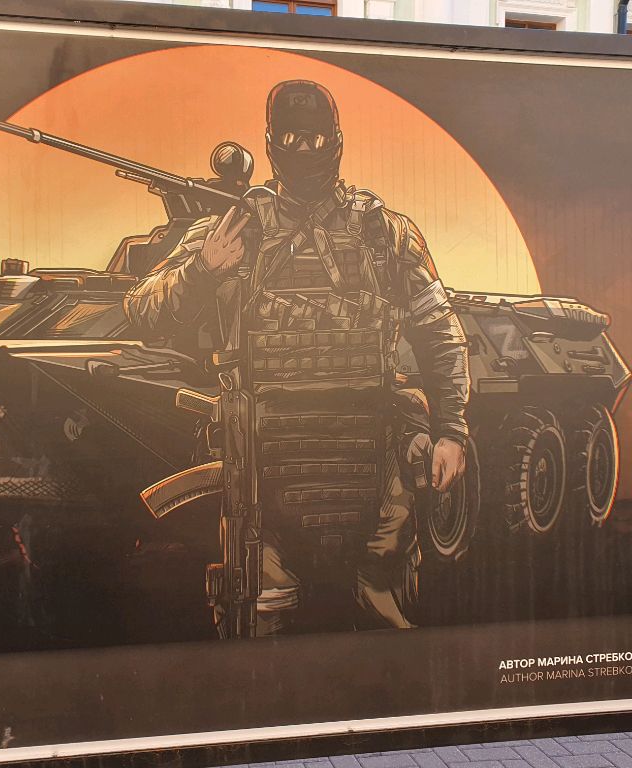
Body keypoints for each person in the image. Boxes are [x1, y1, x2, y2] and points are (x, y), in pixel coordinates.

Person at [124, 80, 469, 634]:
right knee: (265, 617)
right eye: (291, 138)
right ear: (271, 142)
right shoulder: (233, 228)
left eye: (314, 138)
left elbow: (439, 331)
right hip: (264, 464)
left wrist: (451, 429)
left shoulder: (383, 232)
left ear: (336, 141)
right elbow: (143, 311)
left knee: (383, 606)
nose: (304, 150)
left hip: (373, 456)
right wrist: (203, 269)